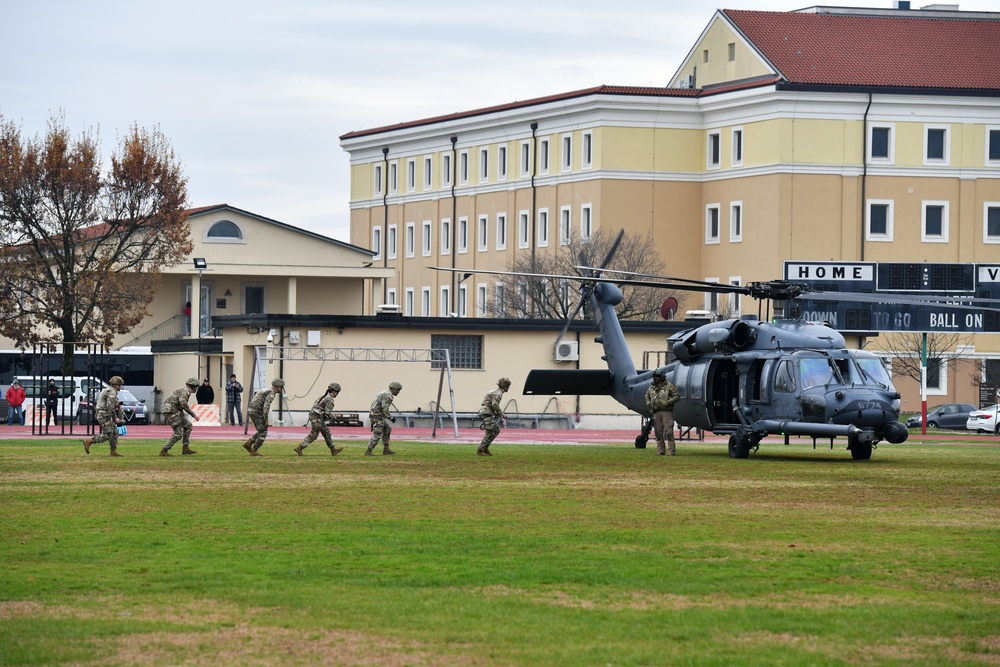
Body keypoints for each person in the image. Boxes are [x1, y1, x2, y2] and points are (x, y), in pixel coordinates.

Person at [295, 382, 345, 456]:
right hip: (317, 418)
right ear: (334, 392)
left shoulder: (323, 397)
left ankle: (333, 449)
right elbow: (327, 412)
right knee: (314, 435)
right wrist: (334, 418)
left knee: (326, 432)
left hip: (316, 417)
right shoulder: (330, 400)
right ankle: (300, 448)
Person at [82, 376, 126, 457]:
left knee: (115, 433)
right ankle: (89, 441)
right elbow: (110, 406)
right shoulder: (111, 392)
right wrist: (115, 418)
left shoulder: (109, 390)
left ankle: (113, 451)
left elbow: (114, 405)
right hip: (104, 415)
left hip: (105, 414)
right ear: (116, 385)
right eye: (120, 385)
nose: (121, 386)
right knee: (108, 434)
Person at [159, 377, 201, 456]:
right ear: (193, 386)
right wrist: (194, 415)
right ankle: (164, 450)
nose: (197, 389)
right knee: (178, 433)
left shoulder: (184, 391)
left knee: (188, 426)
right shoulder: (184, 392)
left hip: (174, 411)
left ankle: (185, 448)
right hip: (171, 412)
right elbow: (183, 404)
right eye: (197, 387)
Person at [243, 378, 285, 456]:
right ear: (277, 387)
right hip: (257, 411)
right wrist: (266, 420)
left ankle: (249, 443)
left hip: (253, 410)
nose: (282, 389)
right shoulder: (271, 393)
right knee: (263, 431)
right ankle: (254, 450)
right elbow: (266, 407)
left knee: (261, 430)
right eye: (281, 387)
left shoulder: (267, 390)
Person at [645, 369, 681, 456]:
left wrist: (668, 402)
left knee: (669, 432)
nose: (656, 378)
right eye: (655, 377)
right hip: (656, 412)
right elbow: (647, 396)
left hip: (667, 412)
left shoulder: (669, 386)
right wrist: (649, 403)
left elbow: (677, 396)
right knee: (658, 432)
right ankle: (660, 450)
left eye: (657, 377)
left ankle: (671, 451)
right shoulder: (651, 387)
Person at [365, 381, 401, 456]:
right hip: (377, 416)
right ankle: (368, 451)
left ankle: (386, 449)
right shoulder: (388, 395)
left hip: (377, 415)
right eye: (398, 390)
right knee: (378, 434)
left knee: (387, 429)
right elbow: (384, 408)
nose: (398, 392)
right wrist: (390, 418)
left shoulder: (384, 393)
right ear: (394, 389)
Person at [477, 377, 511, 456]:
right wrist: (502, 414)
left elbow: (491, 404)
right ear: (506, 387)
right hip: (487, 413)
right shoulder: (497, 393)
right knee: (490, 431)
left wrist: (495, 413)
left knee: (496, 430)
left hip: (487, 412)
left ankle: (485, 447)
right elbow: (494, 404)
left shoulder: (494, 392)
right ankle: (480, 450)